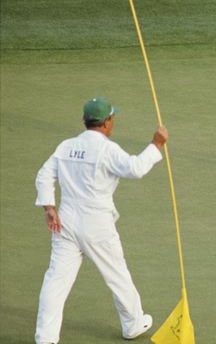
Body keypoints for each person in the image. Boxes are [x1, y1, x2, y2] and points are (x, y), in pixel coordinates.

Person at [34, 97, 168, 344]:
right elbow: (135, 168)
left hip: (65, 223)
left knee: (55, 281)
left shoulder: (66, 146)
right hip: (97, 225)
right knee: (117, 274)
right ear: (107, 122)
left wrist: (49, 208)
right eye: (112, 117)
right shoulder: (108, 149)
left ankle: (46, 338)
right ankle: (133, 324)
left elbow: (44, 175)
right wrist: (155, 144)